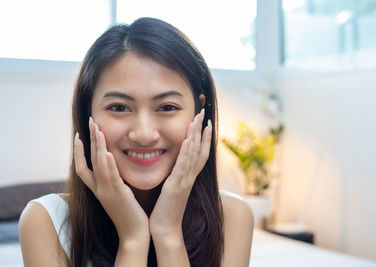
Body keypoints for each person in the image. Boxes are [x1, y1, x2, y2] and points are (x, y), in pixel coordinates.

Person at [19, 17, 253, 267]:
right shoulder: (46, 222)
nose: (144, 134)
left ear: (199, 113)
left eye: (167, 107)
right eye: (119, 107)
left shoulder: (232, 217)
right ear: (88, 114)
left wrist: (168, 232)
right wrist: (133, 239)